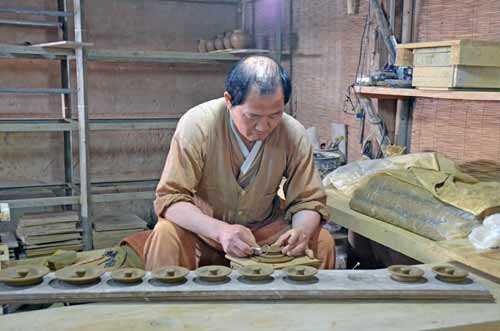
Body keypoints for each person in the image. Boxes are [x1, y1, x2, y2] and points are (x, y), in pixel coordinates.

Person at [124, 55, 335, 270]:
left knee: (322, 241)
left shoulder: (293, 132)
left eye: (275, 114)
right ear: (228, 100)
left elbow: (308, 200)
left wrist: (301, 231)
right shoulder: (198, 125)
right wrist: (219, 230)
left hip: (262, 235)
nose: (264, 127)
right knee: (165, 234)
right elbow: (170, 199)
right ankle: (169, 305)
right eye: (253, 116)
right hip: (204, 232)